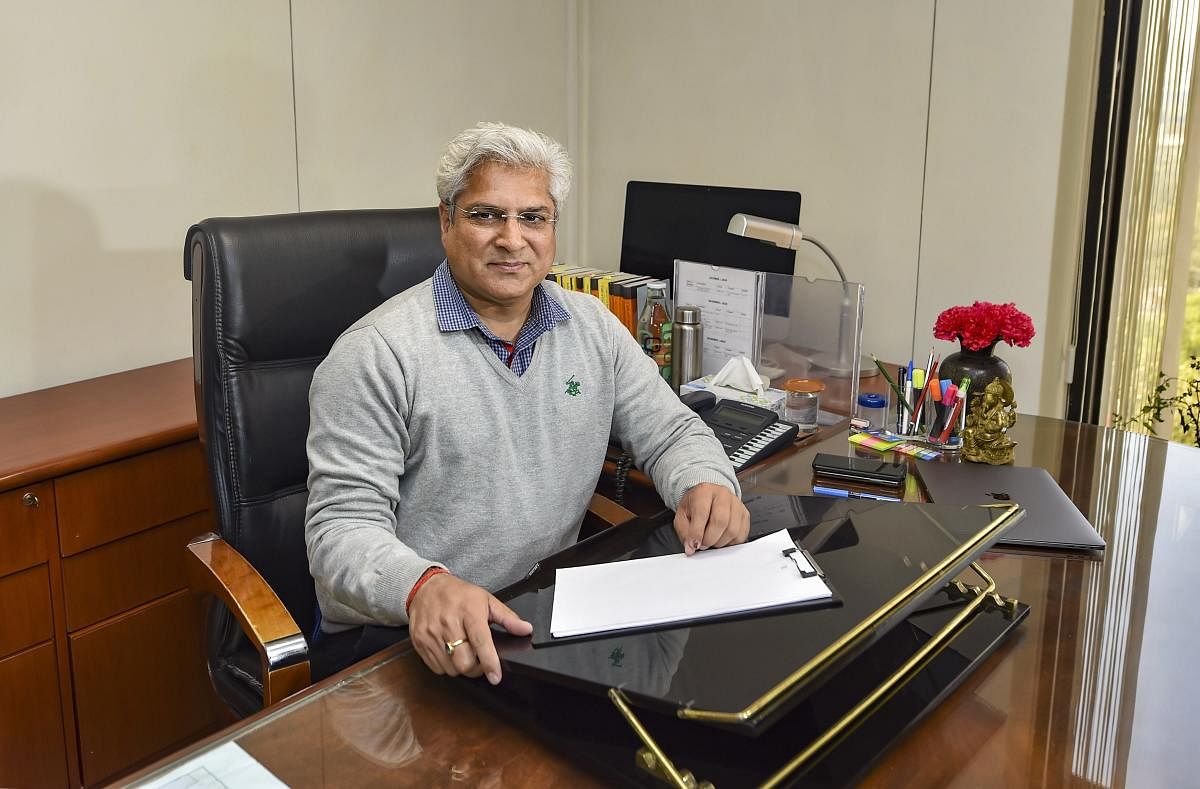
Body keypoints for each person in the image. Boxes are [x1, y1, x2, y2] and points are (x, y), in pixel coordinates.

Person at [305, 121, 748, 687]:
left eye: (533, 217)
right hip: (407, 637)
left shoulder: (592, 327)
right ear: (446, 222)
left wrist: (705, 483)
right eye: (486, 215)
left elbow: (672, 433)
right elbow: (339, 532)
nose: (513, 239)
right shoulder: (375, 354)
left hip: (539, 616)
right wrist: (423, 586)